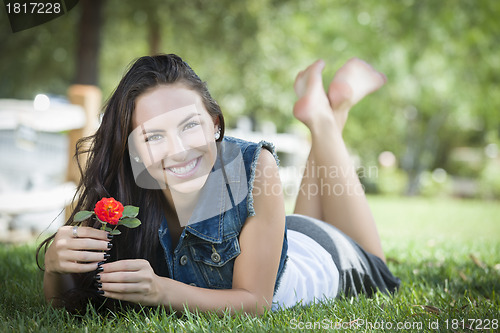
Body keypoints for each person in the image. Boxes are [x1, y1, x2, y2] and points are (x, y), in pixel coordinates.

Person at [37, 54, 400, 315]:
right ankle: (332, 109)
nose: (178, 151)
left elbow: (255, 303)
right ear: (132, 149)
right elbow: (66, 303)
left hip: (326, 257)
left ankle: (323, 118)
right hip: (281, 237)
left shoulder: (252, 166)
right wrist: (55, 269)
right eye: (153, 137)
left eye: (190, 125)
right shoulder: (119, 197)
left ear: (214, 123)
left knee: (381, 270)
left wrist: (161, 290)